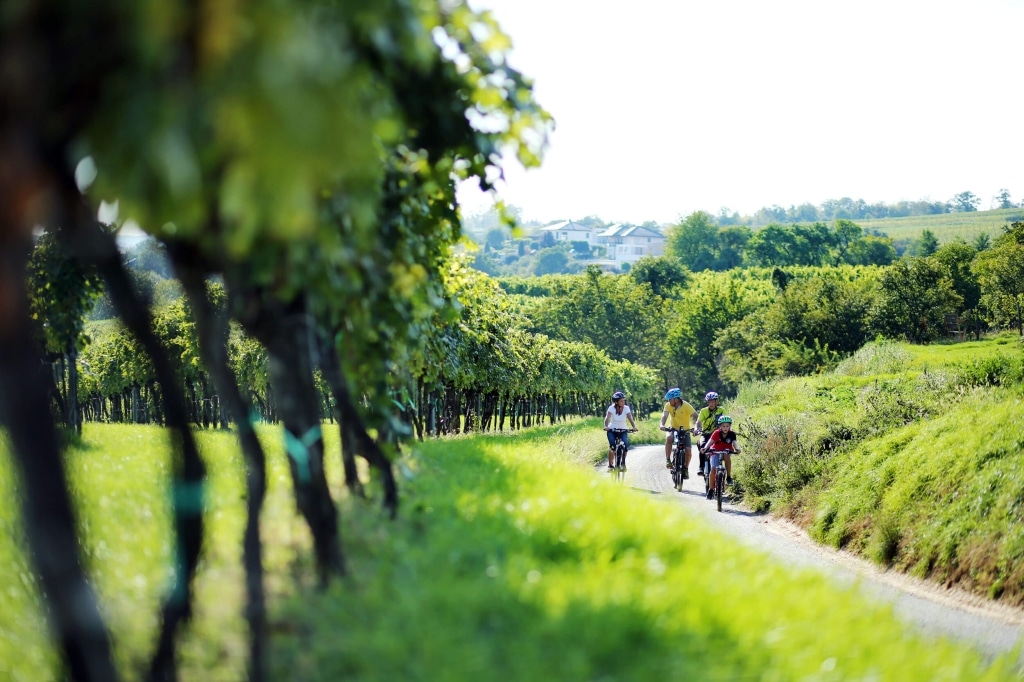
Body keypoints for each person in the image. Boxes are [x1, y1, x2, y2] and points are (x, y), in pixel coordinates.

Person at [659, 388, 696, 476]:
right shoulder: (668, 405)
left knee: (688, 451)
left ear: (676, 399)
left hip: (685, 430)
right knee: (669, 438)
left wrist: (697, 427)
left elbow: (696, 416)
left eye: (670, 399)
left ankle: (686, 469)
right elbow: (664, 416)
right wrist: (662, 425)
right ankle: (668, 460)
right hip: (673, 428)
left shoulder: (686, 405)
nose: (668, 401)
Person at [704, 415, 739, 497]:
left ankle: (729, 477)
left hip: (726, 451)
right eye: (723, 426)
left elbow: (734, 443)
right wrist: (705, 448)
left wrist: (737, 449)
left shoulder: (732, 434)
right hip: (715, 452)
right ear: (720, 427)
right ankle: (711, 489)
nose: (725, 428)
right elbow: (710, 441)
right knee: (713, 469)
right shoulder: (716, 433)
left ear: (730, 426)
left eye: (727, 426)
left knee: (727, 455)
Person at [603, 391, 637, 469]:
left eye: (624, 400)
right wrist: (606, 426)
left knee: (625, 447)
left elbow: (630, 418)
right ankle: (611, 465)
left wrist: (634, 427)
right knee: (612, 447)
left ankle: (623, 463)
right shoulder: (611, 408)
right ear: (616, 402)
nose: (623, 402)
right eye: (621, 401)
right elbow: (607, 418)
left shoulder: (626, 408)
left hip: (623, 430)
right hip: (612, 430)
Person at [695, 391, 724, 479]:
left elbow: (726, 421)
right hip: (706, 434)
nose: (711, 403)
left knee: (722, 448)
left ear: (716, 402)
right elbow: (699, 422)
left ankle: (721, 468)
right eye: (709, 402)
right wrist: (697, 428)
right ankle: (701, 467)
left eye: (713, 401)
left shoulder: (722, 410)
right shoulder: (704, 411)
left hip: (718, 434)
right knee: (702, 446)